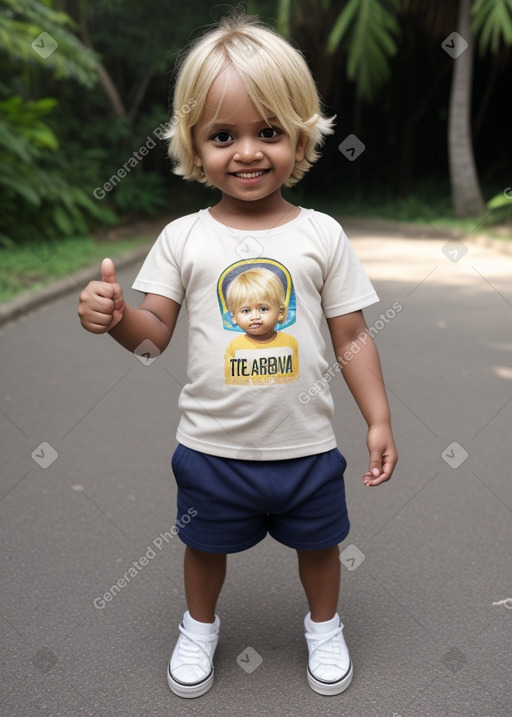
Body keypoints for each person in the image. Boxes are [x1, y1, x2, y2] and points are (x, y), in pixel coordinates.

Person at [78, 12, 397, 700]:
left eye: (269, 132)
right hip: (212, 447)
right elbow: (151, 332)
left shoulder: (322, 235)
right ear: (194, 144)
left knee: (321, 544)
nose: (247, 151)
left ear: (301, 136)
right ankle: (199, 626)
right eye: (223, 135)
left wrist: (377, 417)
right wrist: (112, 319)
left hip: (307, 447)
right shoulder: (183, 238)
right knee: (203, 546)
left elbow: (352, 335)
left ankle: (324, 624)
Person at [224, 267, 299, 385]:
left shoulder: (290, 342)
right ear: (234, 317)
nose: (255, 317)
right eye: (245, 311)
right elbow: (230, 381)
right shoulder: (234, 347)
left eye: (263, 309)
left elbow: (294, 377)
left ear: (280, 312)